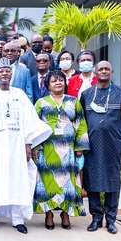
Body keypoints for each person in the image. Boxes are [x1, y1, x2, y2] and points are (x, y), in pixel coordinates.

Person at [0, 59, 52, 234]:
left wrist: (28, 144)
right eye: (1, 71)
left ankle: (17, 219)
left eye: (8, 71)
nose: (5, 74)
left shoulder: (20, 95)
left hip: (17, 145)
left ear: (12, 74)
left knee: (17, 180)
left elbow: (30, 121)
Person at [80, 61, 121, 234]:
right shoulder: (86, 94)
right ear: (95, 72)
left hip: (113, 143)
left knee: (112, 180)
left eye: (107, 69)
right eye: (100, 69)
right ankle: (95, 218)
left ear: (111, 72)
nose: (103, 71)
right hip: (92, 144)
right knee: (92, 179)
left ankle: (110, 220)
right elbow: (83, 119)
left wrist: (111, 129)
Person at [33, 71, 89, 230]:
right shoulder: (41, 103)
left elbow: (81, 123)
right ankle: (48, 214)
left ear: (65, 83)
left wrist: (80, 147)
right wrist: (36, 147)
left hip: (68, 150)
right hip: (47, 149)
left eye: (60, 80)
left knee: (68, 182)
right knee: (47, 182)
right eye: (53, 81)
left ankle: (65, 213)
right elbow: (34, 126)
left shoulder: (74, 102)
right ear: (48, 85)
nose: (58, 83)